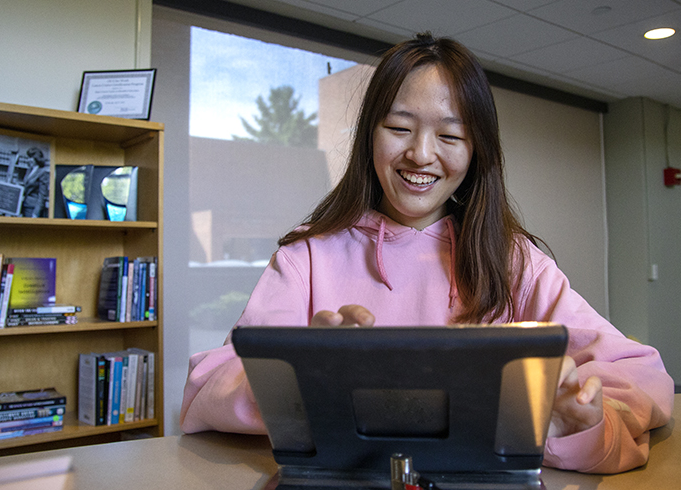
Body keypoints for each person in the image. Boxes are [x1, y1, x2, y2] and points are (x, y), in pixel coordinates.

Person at [180, 33, 674, 474]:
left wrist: (578, 422)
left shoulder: (512, 260)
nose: (420, 153)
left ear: (477, 151)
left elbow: (641, 373)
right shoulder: (308, 255)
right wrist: (305, 378)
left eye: (451, 135)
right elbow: (211, 383)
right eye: (399, 127)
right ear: (368, 134)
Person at [20, 147, 50, 218]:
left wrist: (36, 212)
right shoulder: (29, 170)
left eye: (31, 158)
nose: (28, 160)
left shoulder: (43, 172)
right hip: (25, 205)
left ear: (37, 159)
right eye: (28, 158)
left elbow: (42, 195)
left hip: (33, 208)